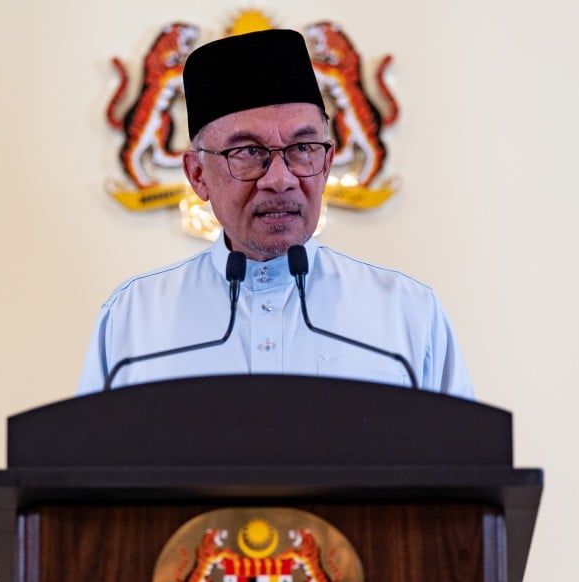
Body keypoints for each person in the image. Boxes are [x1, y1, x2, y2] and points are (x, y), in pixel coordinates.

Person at [77, 29, 473, 398]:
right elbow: (87, 468)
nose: (280, 180)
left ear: (327, 160)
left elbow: (466, 466)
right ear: (198, 174)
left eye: (302, 149)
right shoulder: (134, 321)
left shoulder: (407, 314)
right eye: (248, 152)